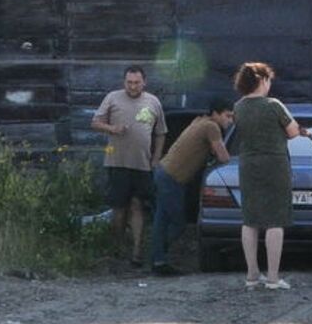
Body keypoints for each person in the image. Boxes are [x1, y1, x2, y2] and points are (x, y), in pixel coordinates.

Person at [232, 61, 300, 290]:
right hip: (274, 164)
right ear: (262, 80)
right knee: (275, 220)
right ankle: (272, 277)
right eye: (269, 80)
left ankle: (252, 275)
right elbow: (293, 132)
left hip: (248, 164)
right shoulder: (274, 105)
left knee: (250, 218)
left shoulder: (238, 107)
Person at [91, 65, 167, 268]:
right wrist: (113, 128)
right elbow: (95, 122)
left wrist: (157, 157)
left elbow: (160, 133)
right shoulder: (113, 98)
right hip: (117, 163)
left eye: (136, 82)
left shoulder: (153, 102)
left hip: (142, 164)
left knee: (137, 205)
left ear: (144, 82)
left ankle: (136, 252)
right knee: (119, 208)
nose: (133, 86)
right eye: (129, 82)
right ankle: (116, 247)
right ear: (124, 82)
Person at [150, 97, 234, 275]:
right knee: (178, 223)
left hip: (163, 172)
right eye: (227, 116)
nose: (229, 120)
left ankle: (158, 261)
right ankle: (156, 255)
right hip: (172, 178)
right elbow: (224, 157)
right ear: (216, 114)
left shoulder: (199, 121)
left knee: (161, 221)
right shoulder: (211, 127)